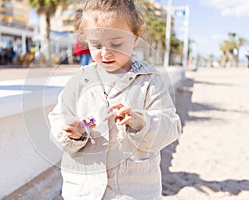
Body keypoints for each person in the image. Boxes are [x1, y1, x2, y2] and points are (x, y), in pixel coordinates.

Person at [48, 0, 182, 199]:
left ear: (136, 36)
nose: (105, 52)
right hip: (83, 192)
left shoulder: (149, 81)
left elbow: (171, 127)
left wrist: (141, 122)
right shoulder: (79, 83)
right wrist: (72, 134)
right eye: (96, 45)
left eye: (116, 44)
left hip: (133, 192)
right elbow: (58, 123)